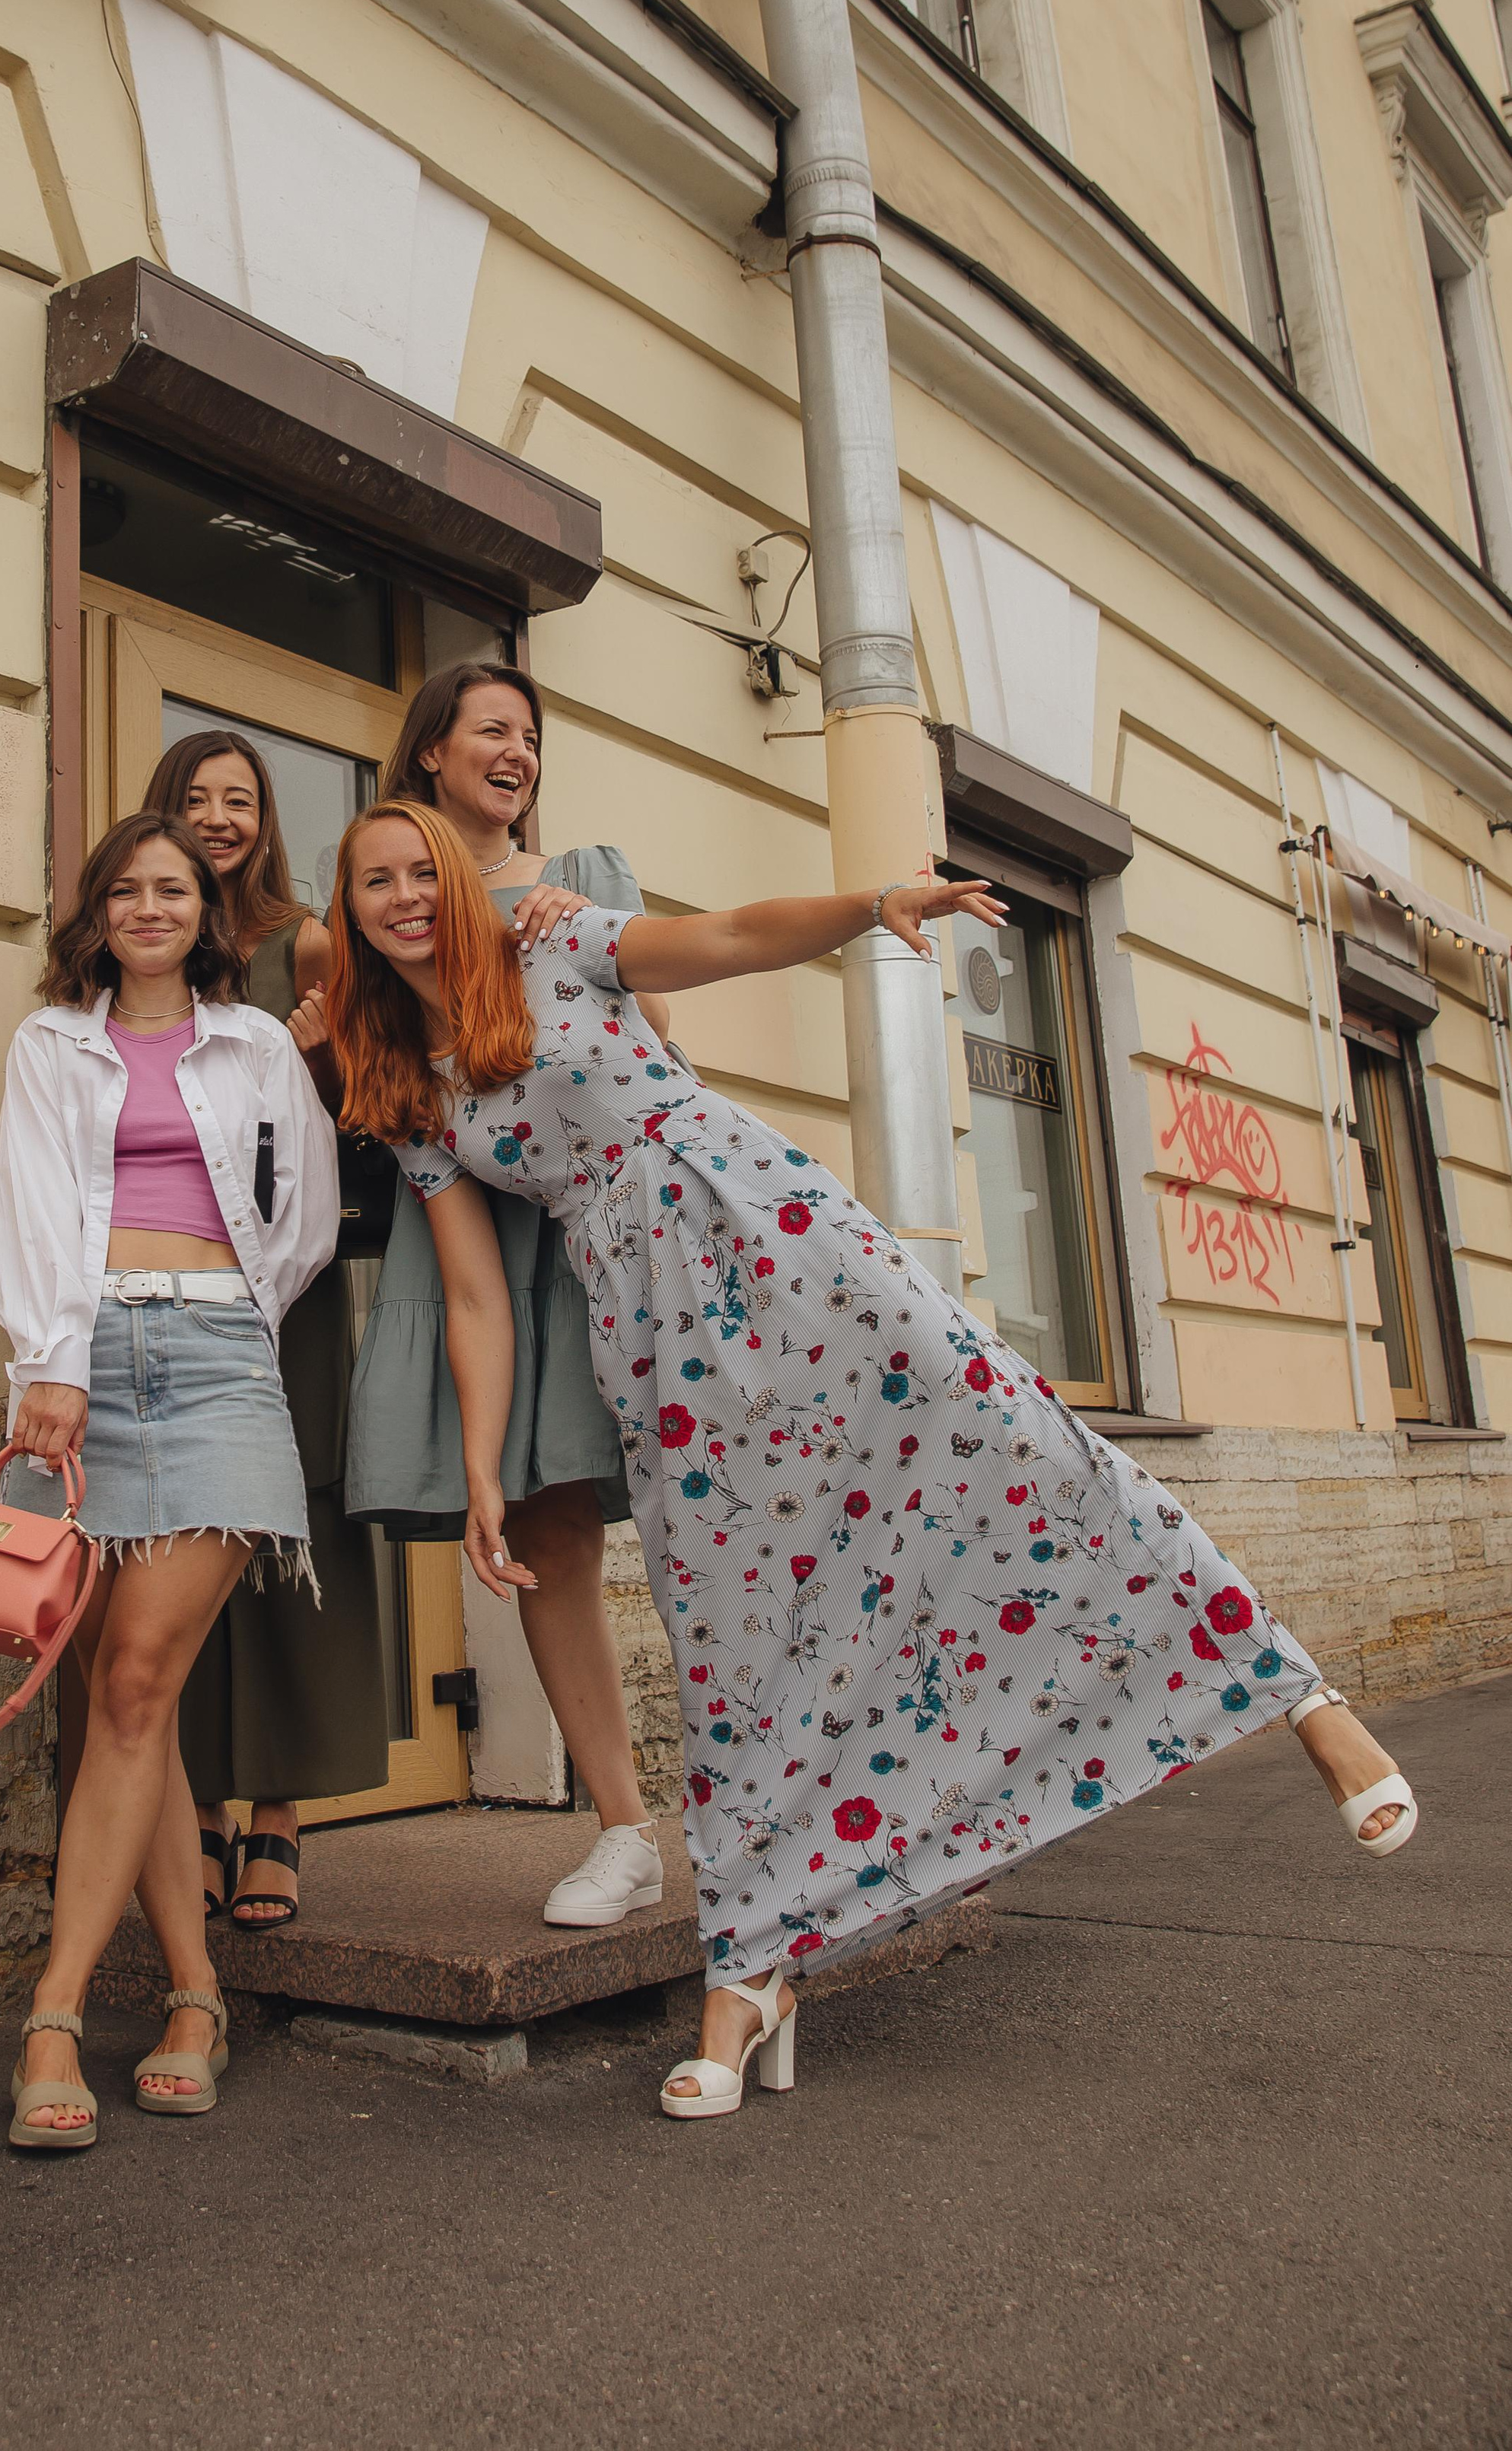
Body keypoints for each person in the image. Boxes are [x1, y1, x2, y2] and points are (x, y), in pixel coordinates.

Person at [312, 798, 1419, 2123]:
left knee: (1016, 1434)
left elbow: (725, 934)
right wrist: (484, 1473)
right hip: (653, 1328)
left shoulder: (559, 946)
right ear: (354, 915)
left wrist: (869, 909)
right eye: (372, 882)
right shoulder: (413, 1089)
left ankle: (1293, 1694)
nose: (402, 897)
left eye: (416, 871)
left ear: (454, 878)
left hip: (767, 1224)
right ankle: (752, 1964)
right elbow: (480, 1300)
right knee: (726, 1619)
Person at [0, 811, 337, 2145]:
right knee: (129, 1703)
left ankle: (55, 2014)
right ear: (100, 911)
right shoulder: (51, 1044)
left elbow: (301, 1220)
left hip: (215, 1368)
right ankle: (195, 1995)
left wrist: (226, 1316)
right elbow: (26, 1201)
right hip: (80, 1372)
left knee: (135, 1681)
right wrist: (49, 1365)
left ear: (209, 911)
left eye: (175, 890)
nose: (151, 908)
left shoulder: (254, 1047)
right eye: (127, 890)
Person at [346, 661, 673, 1930]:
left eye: (530, 737)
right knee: (550, 1541)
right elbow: (351, 1017)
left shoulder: (583, 884)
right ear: (429, 752)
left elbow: (651, 1049)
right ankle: (625, 1829)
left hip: (609, 1218)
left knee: (717, 1511)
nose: (517, 753)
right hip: (476, 1225)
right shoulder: (385, 899)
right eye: (492, 731)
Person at [142, 728, 390, 1931]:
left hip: (289, 1289)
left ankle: (283, 1814)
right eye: (200, 798)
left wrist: (321, 1053)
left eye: (241, 799)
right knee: (176, 1522)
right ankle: (189, 1807)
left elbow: (383, 1100)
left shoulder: (309, 941)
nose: (223, 817)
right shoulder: (143, 940)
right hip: (170, 1284)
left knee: (298, 1524)